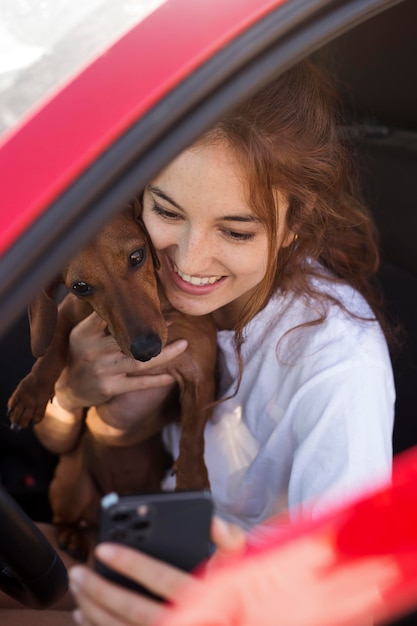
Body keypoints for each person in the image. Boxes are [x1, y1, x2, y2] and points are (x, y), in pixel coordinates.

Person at [2, 59, 396, 624]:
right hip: (127, 540)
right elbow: (58, 436)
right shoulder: (133, 279)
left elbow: (353, 590)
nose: (187, 262)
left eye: (236, 230)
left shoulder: (336, 366)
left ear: (293, 226)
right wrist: (70, 397)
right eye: (166, 210)